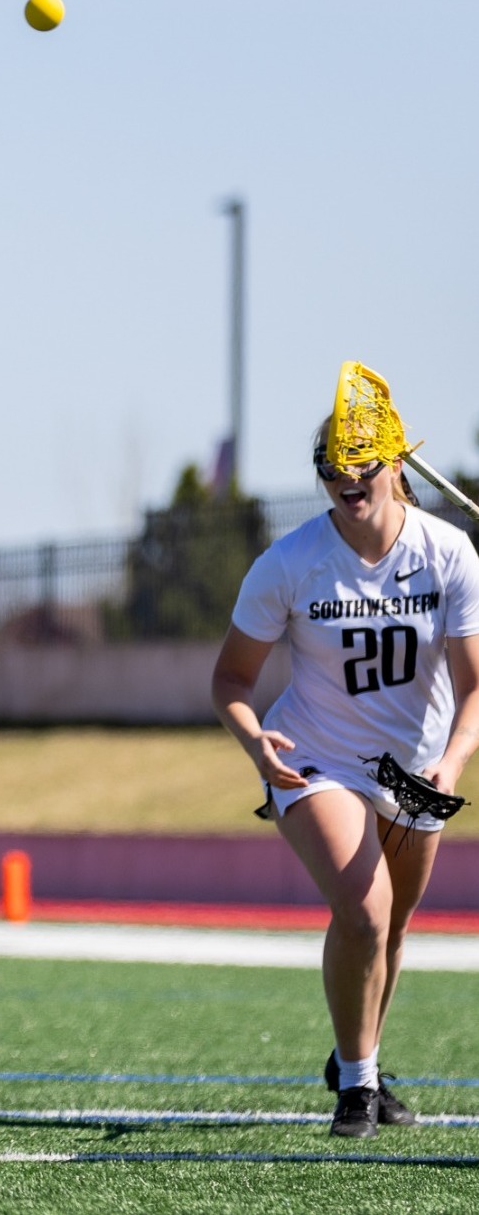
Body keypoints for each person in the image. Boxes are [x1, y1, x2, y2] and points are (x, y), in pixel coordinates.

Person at [212, 423, 479, 1139]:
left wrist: (449, 763)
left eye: (359, 463)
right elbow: (230, 680)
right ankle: (357, 1089)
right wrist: (252, 741)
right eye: (329, 467)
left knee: (390, 929)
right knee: (365, 909)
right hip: (317, 758)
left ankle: (354, 1056)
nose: (343, 478)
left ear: (393, 461)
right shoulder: (290, 561)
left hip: (418, 768)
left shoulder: (447, 551)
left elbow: (474, 687)